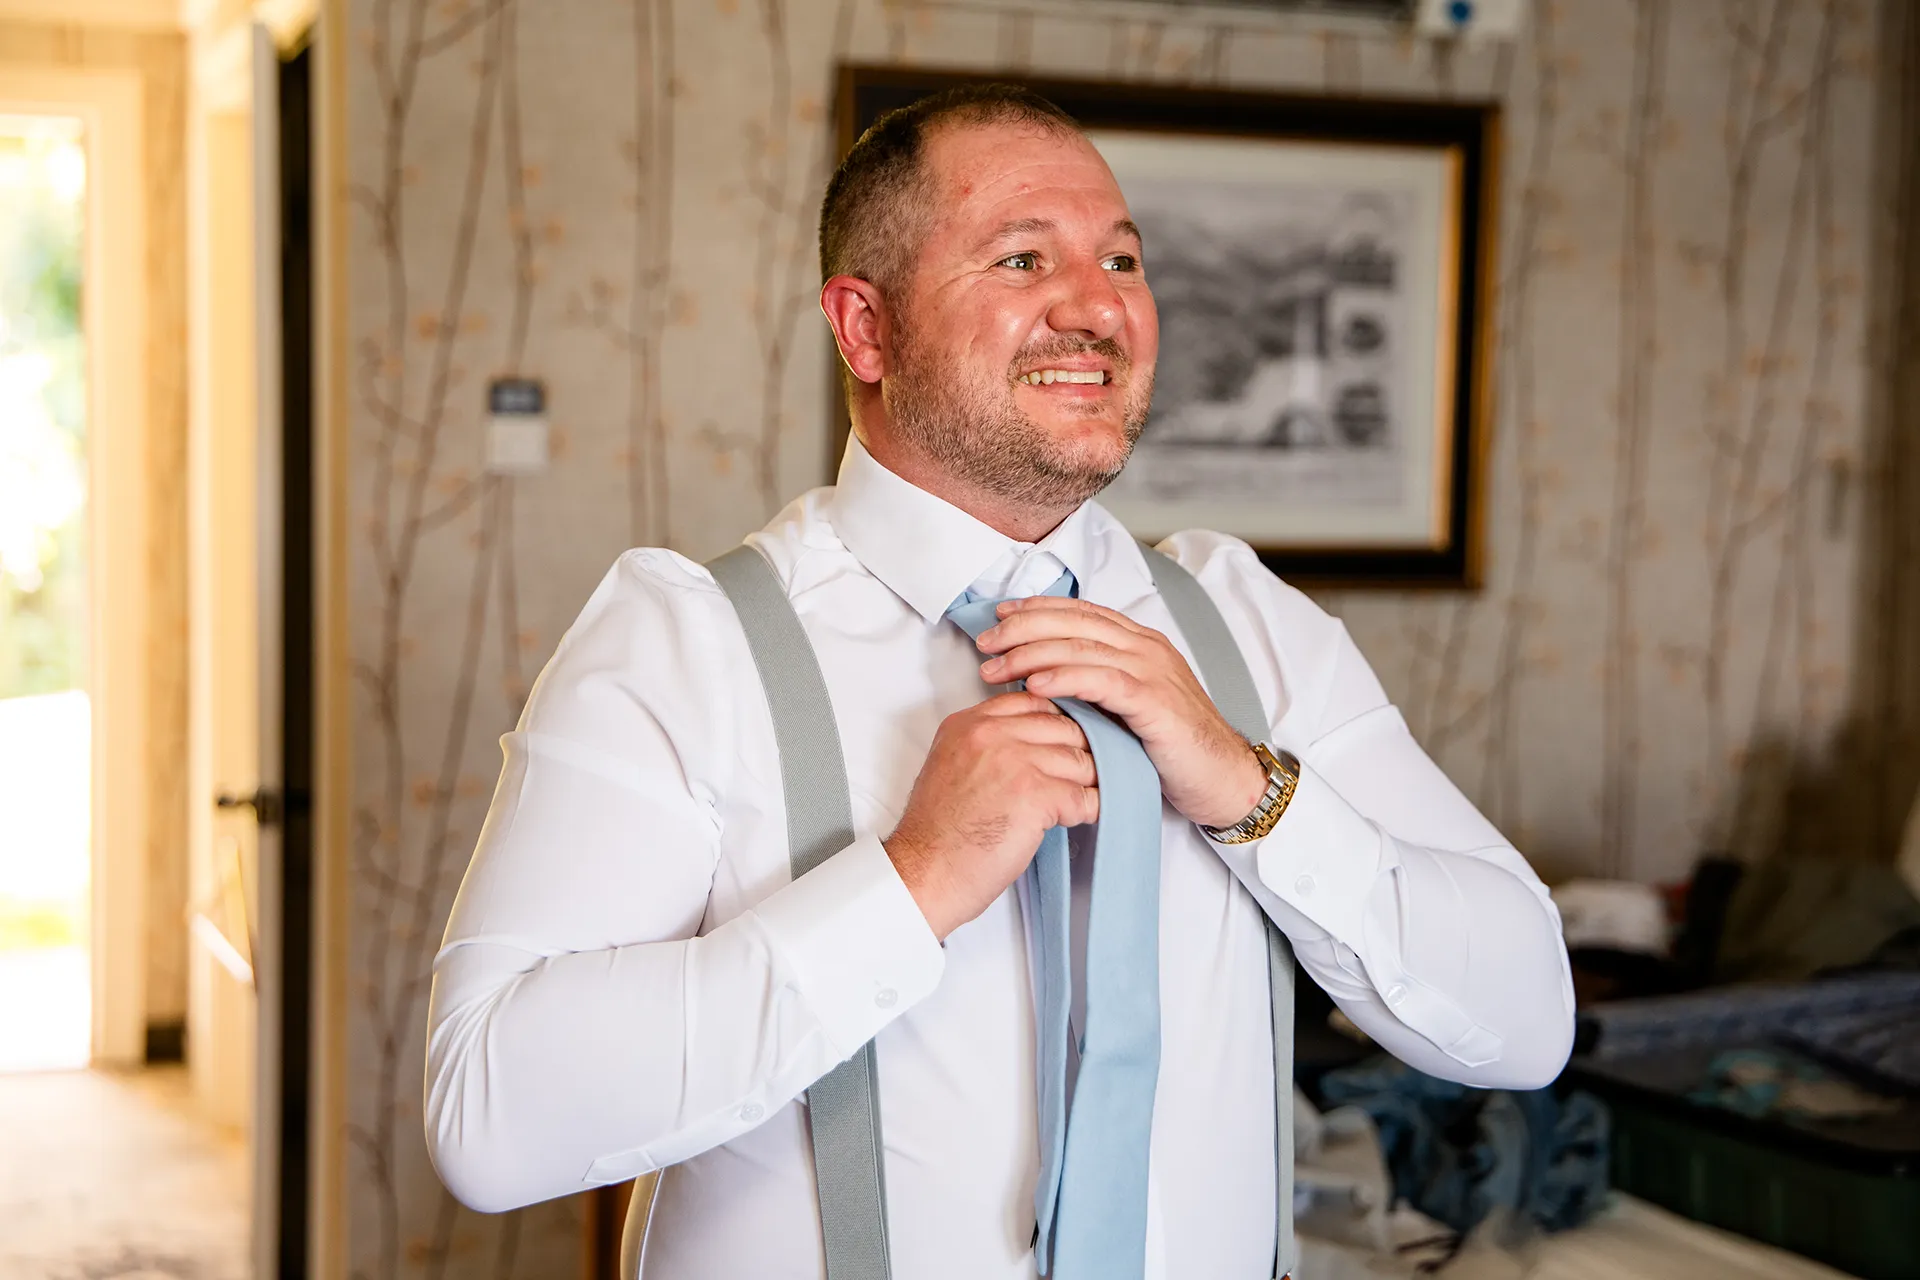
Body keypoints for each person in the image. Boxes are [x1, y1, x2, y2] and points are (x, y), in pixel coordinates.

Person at [425, 84, 1574, 1279]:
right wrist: (911, 881)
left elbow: (1528, 1018)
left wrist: (1249, 788)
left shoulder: (1249, 626)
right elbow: (487, 1120)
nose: (1096, 307)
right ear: (865, 329)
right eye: (1023, 257)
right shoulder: (684, 643)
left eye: (1122, 258)